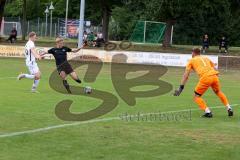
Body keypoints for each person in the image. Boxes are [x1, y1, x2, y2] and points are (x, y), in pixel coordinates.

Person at [174, 47, 233, 118]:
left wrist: (181, 87)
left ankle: (208, 112)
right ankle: (229, 107)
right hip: (214, 76)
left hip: (206, 78)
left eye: (192, 53)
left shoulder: (191, 60)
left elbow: (186, 75)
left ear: (193, 53)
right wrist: (215, 76)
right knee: (218, 92)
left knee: (196, 97)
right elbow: (214, 67)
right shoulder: (206, 58)